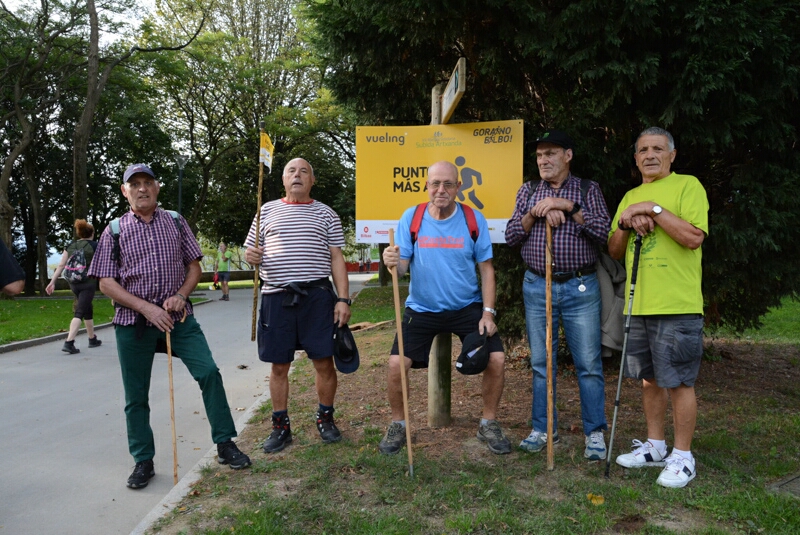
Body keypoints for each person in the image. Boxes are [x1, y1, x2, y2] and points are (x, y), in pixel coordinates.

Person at [89, 163, 250, 489]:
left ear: (157, 187)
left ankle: (225, 443)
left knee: (208, 372)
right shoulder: (114, 230)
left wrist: (180, 295)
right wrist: (146, 308)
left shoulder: (175, 221)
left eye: (147, 182)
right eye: (135, 184)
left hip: (179, 320)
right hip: (133, 323)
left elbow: (194, 267)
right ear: (125, 191)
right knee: (136, 395)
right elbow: (105, 283)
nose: (142, 188)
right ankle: (143, 460)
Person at [379, 160, 511, 456]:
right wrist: (392, 262)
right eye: (435, 184)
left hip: (467, 307)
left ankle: (488, 423)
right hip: (422, 308)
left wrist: (488, 313)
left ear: (458, 187)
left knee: (497, 358)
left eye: (448, 184)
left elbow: (487, 269)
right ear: (426, 186)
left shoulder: (473, 219)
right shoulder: (412, 217)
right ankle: (398, 425)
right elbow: (402, 267)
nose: (441, 190)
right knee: (396, 364)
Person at [608, 127, 708, 488]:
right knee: (649, 379)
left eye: (658, 149)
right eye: (643, 150)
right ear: (636, 159)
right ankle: (655, 446)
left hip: (677, 303)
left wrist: (652, 209)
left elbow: (693, 237)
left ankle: (683, 456)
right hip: (639, 304)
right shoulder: (629, 196)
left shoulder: (687, 186)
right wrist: (626, 221)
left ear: (672, 155)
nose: (650, 155)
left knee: (678, 381)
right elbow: (615, 250)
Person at [505, 129, 611, 460]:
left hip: (581, 286)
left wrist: (566, 206)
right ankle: (543, 428)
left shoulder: (587, 189)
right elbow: (511, 236)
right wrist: (536, 211)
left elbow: (603, 232)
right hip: (538, 285)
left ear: (568, 155)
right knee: (541, 362)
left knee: (588, 363)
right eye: (539, 155)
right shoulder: (528, 191)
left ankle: (594, 433)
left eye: (550, 153)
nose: (543, 160)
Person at [244, 157, 351, 454]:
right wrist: (250, 256)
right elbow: (250, 251)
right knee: (279, 365)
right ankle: (280, 427)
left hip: (317, 298)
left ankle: (325, 418)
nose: (297, 175)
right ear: (283, 179)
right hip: (276, 297)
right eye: (291, 170)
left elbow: (336, 258)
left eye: (304, 171)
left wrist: (343, 299)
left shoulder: (327, 213)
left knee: (324, 361)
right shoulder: (265, 211)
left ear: (312, 180)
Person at [46, 219, 102, 353]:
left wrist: (52, 282)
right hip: (88, 282)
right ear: (92, 233)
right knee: (80, 312)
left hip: (73, 283)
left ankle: (92, 339)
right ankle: (69, 342)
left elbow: (61, 265)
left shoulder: (71, 245)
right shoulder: (95, 245)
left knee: (87, 308)